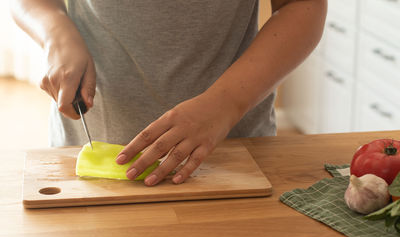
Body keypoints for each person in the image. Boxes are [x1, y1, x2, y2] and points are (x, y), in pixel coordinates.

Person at [11, 0, 327, 186]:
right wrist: (56, 32)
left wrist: (225, 104)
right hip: (86, 149)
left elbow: (303, 5)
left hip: (230, 161)